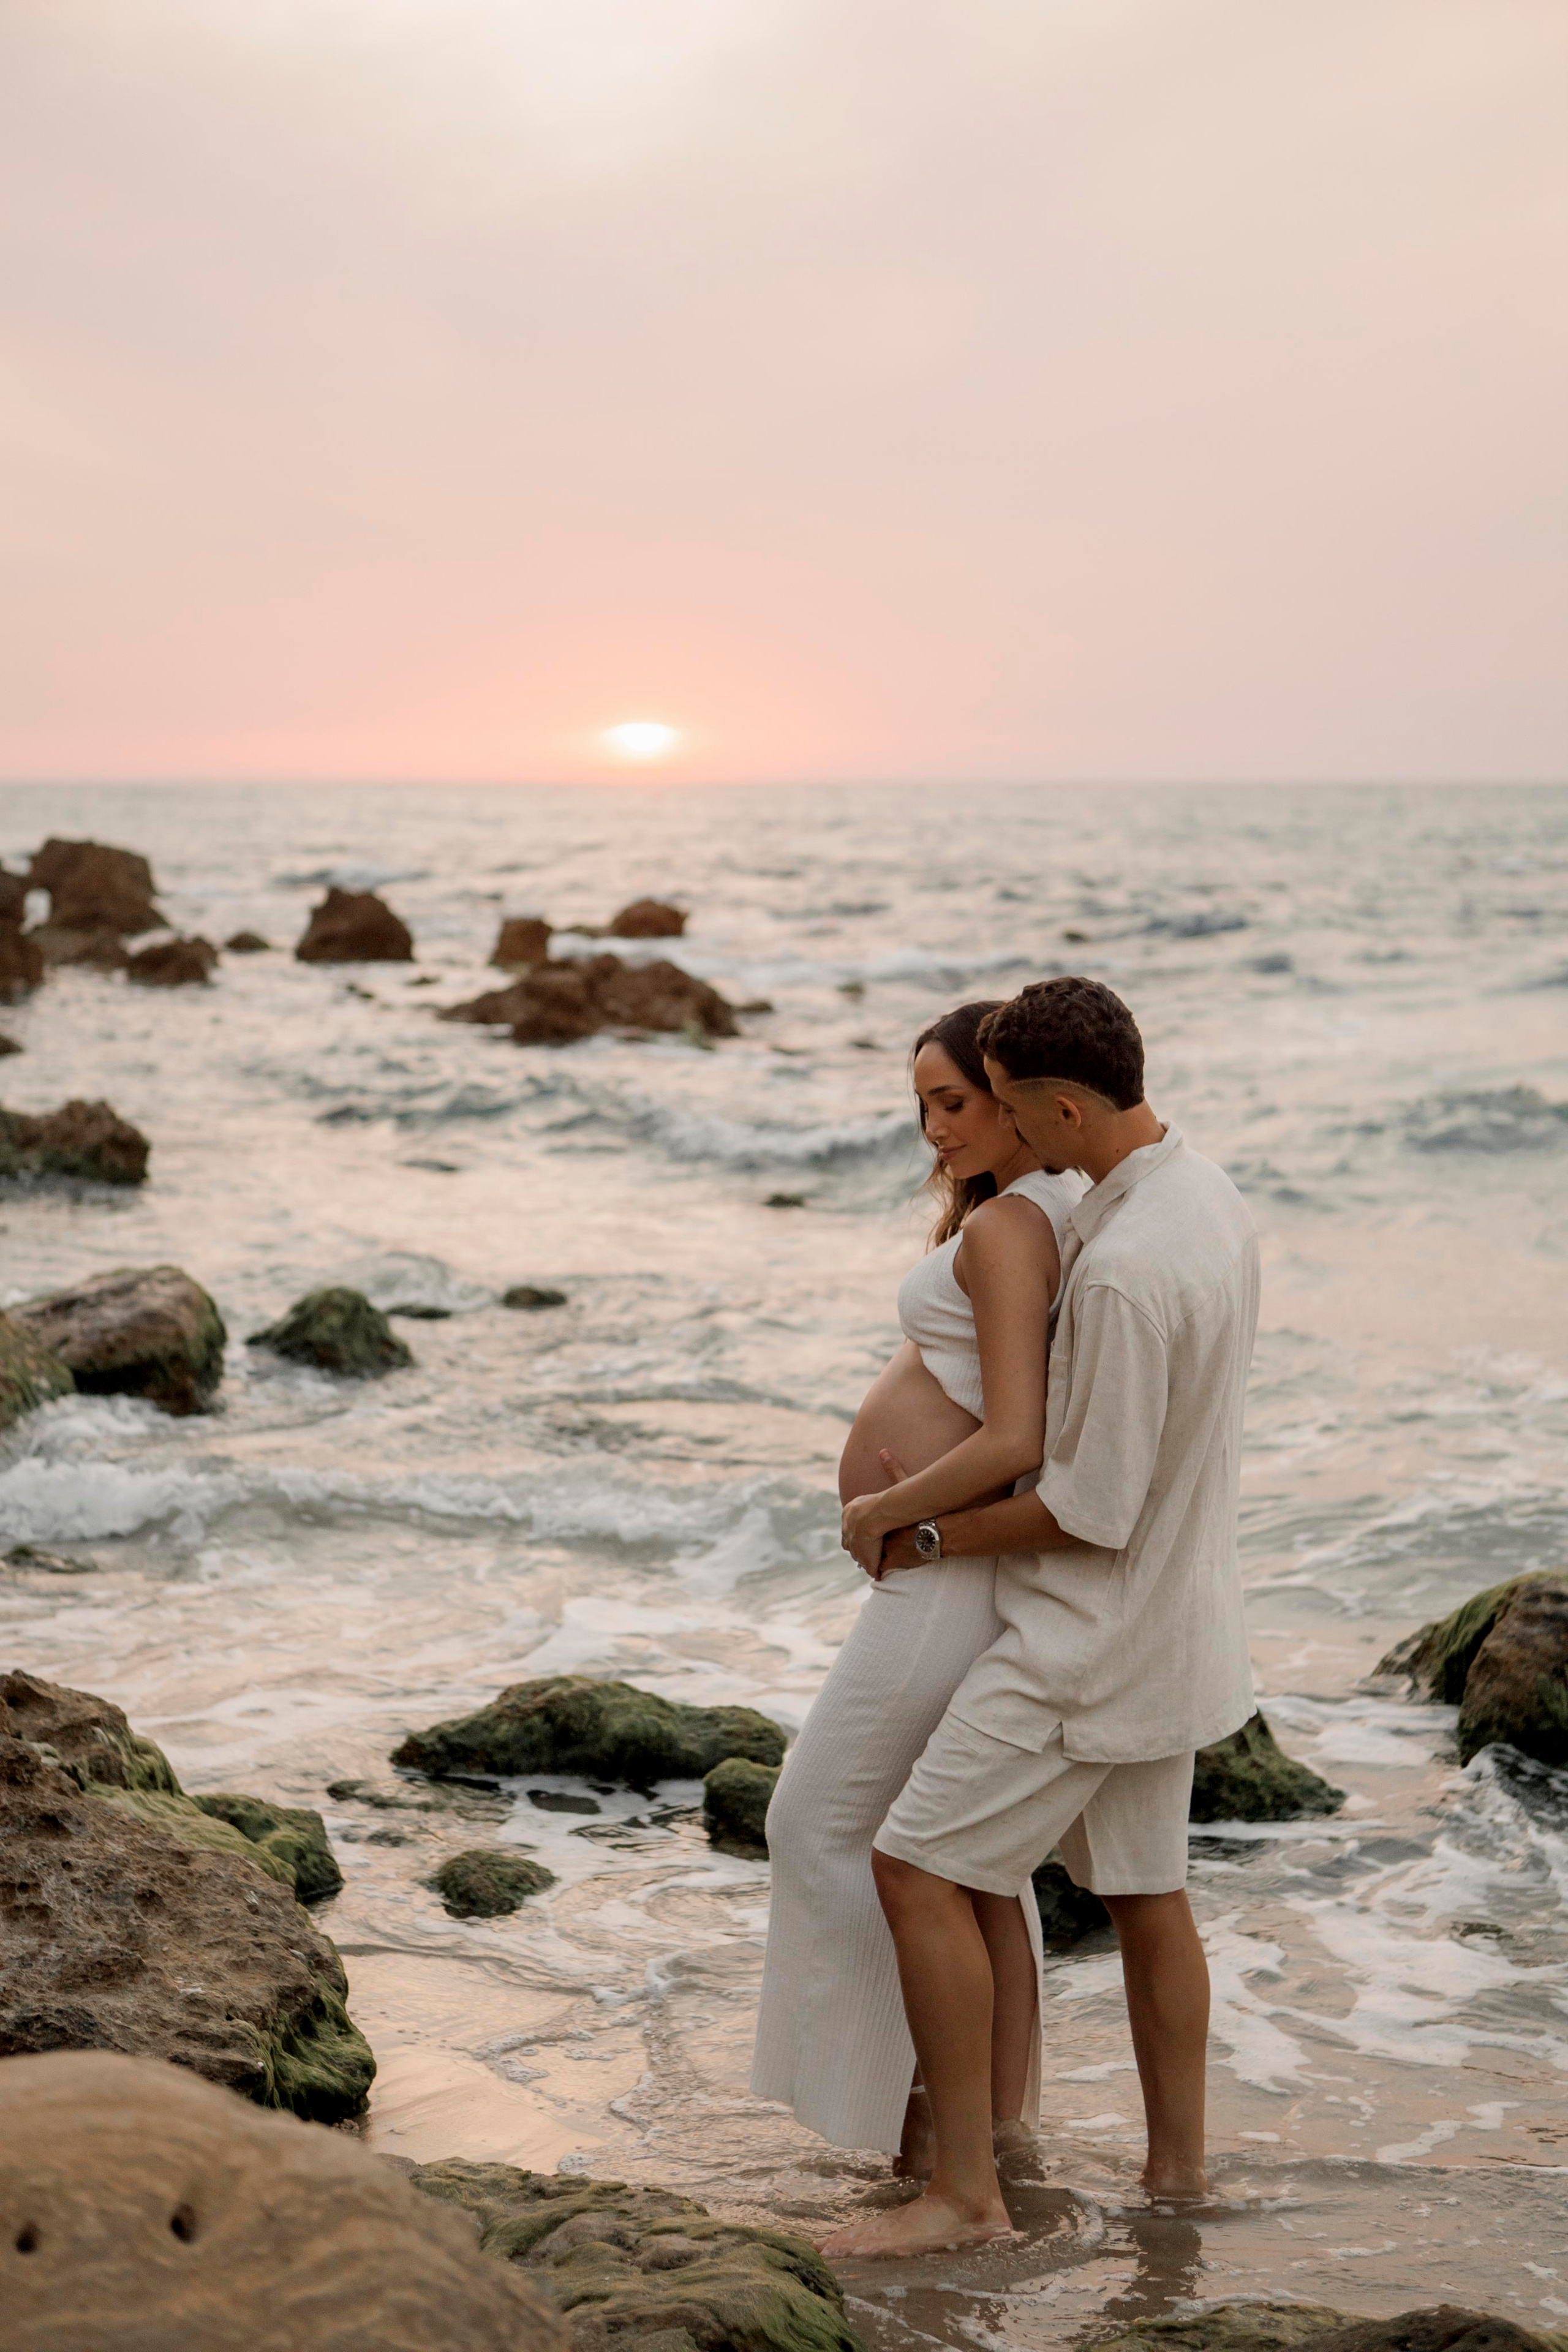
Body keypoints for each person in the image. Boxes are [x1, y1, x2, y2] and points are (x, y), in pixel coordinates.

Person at [823, 976, 1260, 2261]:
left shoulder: (1123, 1270)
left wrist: (917, 1529)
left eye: (1016, 1112)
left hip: (1088, 1642)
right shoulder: (1201, 1193)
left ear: (1067, 1103)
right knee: (1144, 1896)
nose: (1013, 1144)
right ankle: (1174, 2183)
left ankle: (962, 2193)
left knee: (914, 1867)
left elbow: (1086, 1509)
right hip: (1178, 1621)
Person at [750, 1001, 1084, 2171]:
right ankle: (984, 2128)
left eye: (953, 1103)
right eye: (922, 1107)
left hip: (942, 1576)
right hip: (960, 1573)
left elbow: (1015, 1432)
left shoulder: (1012, 1229)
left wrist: (888, 1509)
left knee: (817, 1824)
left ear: (1014, 1095)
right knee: (972, 1862)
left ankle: (902, 2110)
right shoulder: (1031, 1213)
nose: (933, 1129)